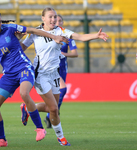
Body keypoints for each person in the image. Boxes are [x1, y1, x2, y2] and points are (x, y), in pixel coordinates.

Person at [19, 7, 108, 146]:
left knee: (51, 109)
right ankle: (61, 137)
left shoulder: (61, 30)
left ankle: (28, 108)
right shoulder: (35, 33)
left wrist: (96, 36)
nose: (53, 19)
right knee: (54, 108)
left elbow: (80, 37)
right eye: (50, 17)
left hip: (55, 74)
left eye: (54, 17)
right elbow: (21, 48)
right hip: (40, 74)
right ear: (43, 18)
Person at [0, 9, 68, 148]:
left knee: (24, 93)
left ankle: (40, 129)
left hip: (24, 68)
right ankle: (2, 140)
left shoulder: (10, 27)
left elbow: (33, 31)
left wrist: (53, 37)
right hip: (9, 74)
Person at [44, 14, 78, 128]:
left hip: (63, 67)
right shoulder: (49, 35)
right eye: (55, 20)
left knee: (58, 93)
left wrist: (64, 54)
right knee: (62, 90)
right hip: (52, 67)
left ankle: (51, 115)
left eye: (60, 20)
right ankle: (51, 114)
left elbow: (75, 53)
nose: (57, 22)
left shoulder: (67, 36)